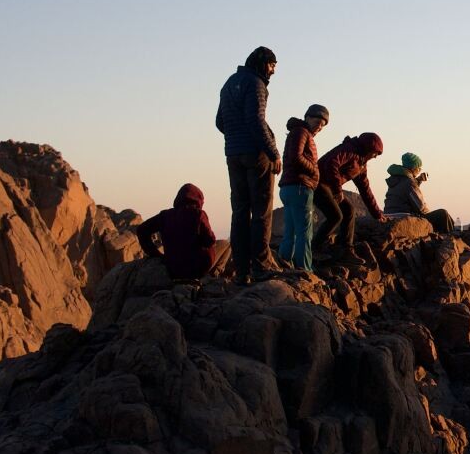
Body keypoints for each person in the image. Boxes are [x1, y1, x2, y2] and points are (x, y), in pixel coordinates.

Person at [216, 46, 280, 283]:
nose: (273, 71)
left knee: (240, 212)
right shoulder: (256, 84)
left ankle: (242, 271)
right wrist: (273, 153)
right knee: (261, 212)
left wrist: (235, 136)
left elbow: (219, 121)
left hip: (233, 153)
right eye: (272, 65)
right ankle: (261, 266)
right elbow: (256, 121)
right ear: (263, 64)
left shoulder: (229, 83)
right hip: (256, 154)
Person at [313, 132, 387, 265]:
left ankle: (345, 250)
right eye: (375, 153)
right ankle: (315, 248)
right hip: (318, 183)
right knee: (335, 216)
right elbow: (331, 163)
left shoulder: (361, 163)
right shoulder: (349, 150)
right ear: (368, 148)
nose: (375, 157)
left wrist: (377, 214)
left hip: (330, 186)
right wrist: (337, 190)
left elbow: (365, 189)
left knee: (348, 210)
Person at [278, 104, 329, 272]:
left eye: (323, 125)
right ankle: (304, 269)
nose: (320, 127)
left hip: (289, 187)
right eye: (317, 121)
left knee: (291, 232)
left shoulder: (297, 132)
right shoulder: (302, 132)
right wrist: (314, 170)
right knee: (304, 233)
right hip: (300, 187)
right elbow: (296, 157)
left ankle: (284, 263)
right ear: (308, 117)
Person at [135, 184, 218, 281]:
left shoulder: (165, 216)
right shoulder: (199, 214)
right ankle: (214, 275)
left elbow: (141, 230)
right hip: (197, 268)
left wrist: (156, 255)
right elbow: (210, 240)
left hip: (173, 269)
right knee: (225, 244)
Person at [383, 152, 454, 234]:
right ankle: (451, 236)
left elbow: (406, 190)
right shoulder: (409, 182)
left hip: (390, 216)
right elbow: (421, 208)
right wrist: (430, 214)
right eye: (419, 168)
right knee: (442, 214)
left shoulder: (396, 179)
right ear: (413, 168)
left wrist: (418, 180)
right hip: (404, 217)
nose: (420, 170)